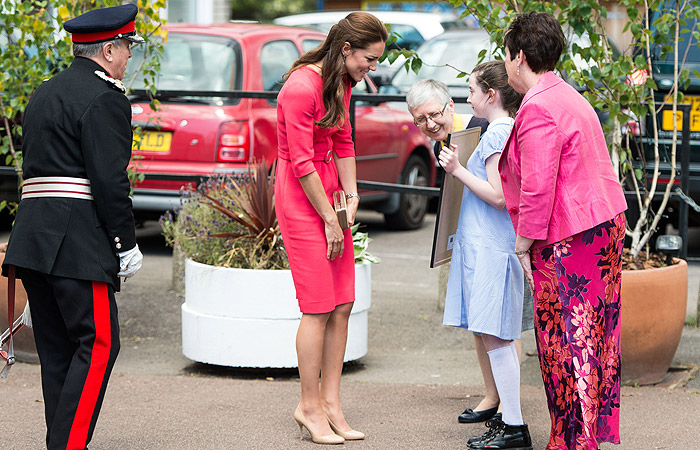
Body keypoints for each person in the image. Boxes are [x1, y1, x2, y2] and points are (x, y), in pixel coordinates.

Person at [1, 4, 144, 449]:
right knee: (99, 343)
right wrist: (124, 243)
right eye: (125, 49)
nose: (126, 59)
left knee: (59, 349)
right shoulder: (106, 96)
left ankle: (60, 442)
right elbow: (108, 180)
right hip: (79, 242)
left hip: (35, 239)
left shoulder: (46, 92)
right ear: (108, 50)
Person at [499, 12, 627, 450]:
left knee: (565, 339)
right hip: (601, 223)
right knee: (591, 334)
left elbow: (538, 187)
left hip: (571, 237)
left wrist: (521, 243)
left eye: (506, 54)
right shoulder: (565, 93)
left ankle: (572, 439)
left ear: (519, 56)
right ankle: (579, 436)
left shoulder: (538, 107)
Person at [274, 11, 387, 445]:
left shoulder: (340, 82)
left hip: (331, 194)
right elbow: (301, 163)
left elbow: (343, 142)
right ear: (346, 49)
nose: (371, 68)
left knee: (342, 303)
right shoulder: (301, 87)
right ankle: (308, 405)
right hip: (303, 200)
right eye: (368, 59)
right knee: (318, 306)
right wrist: (328, 220)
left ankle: (332, 403)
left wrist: (352, 196)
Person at [406, 79, 533, 430]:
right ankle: (496, 396)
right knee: (483, 325)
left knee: (504, 326)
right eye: (420, 120)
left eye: (434, 114)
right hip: (472, 241)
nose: (430, 124)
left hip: (500, 242)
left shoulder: (484, 128)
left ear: (450, 107)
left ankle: (508, 407)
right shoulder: (442, 146)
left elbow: (500, 192)